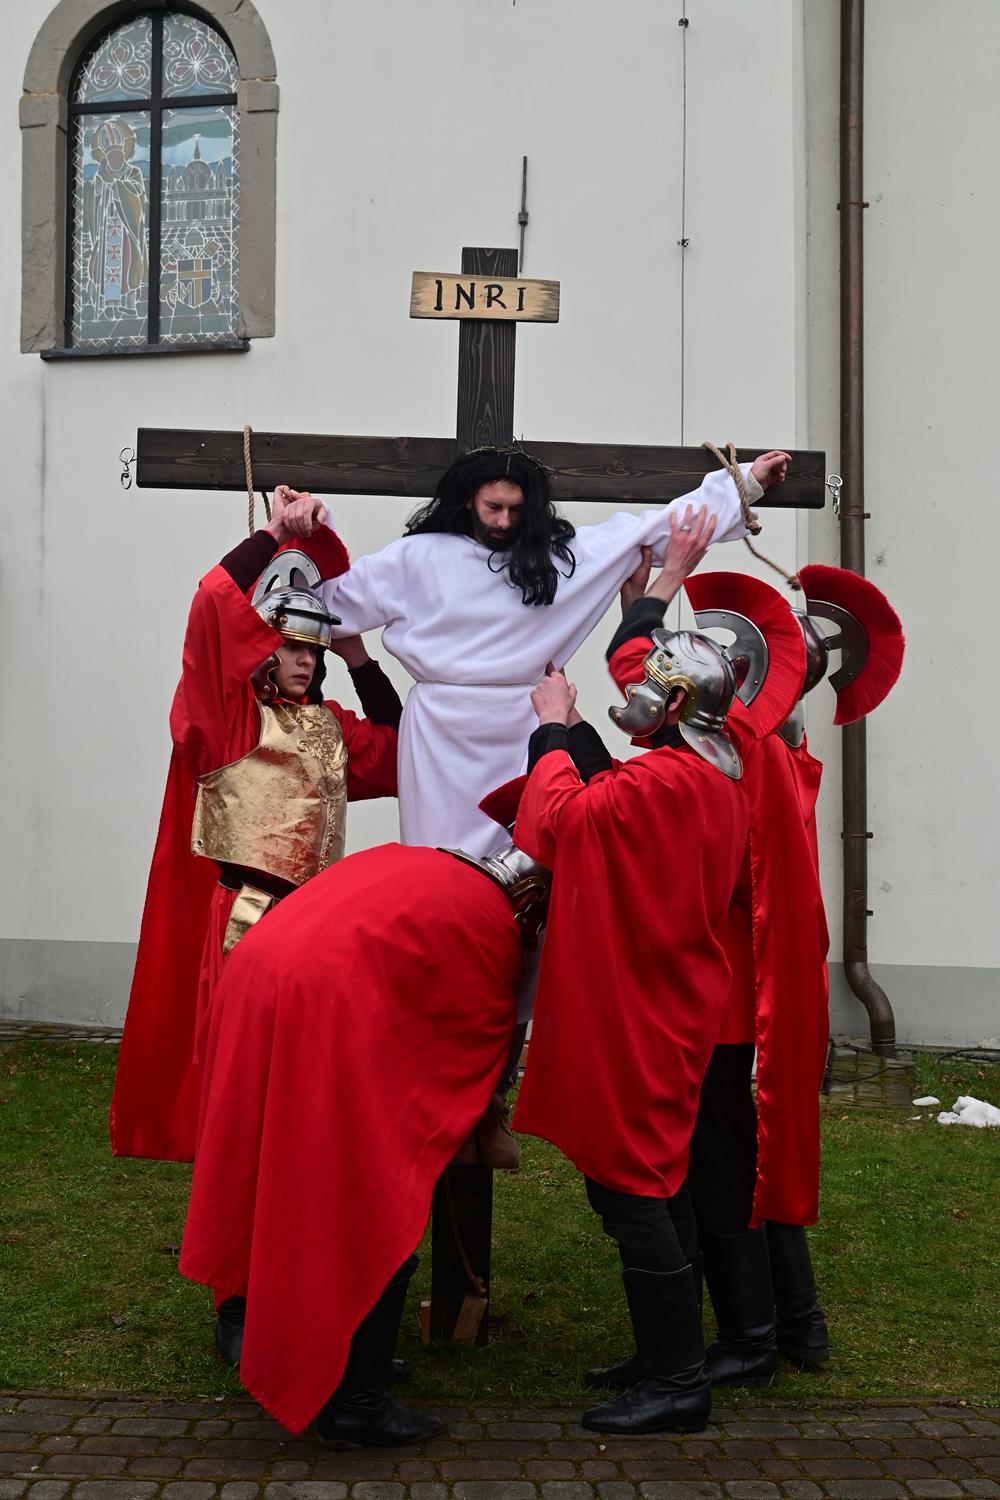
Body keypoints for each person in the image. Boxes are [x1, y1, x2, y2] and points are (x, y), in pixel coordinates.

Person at [178, 721, 612, 1442]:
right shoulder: (491, 924)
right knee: (377, 1191)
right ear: (536, 900)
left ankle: (283, 1334)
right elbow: (467, 1066)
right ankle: (354, 1400)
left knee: (272, 1163)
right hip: (317, 1006)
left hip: (259, 979)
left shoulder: (426, 863)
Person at [510, 561, 805, 1436]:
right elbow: (614, 796)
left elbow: (560, 821)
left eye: (650, 685)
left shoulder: (668, 784)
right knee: (662, 1183)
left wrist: (551, 730)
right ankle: (664, 1357)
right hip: (668, 1007)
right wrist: (577, 734)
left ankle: (678, 1380)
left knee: (633, 1190)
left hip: (638, 1014)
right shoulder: (708, 777)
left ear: (675, 702)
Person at [274, 445, 792, 854]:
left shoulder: (560, 560)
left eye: (516, 510)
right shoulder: (415, 558)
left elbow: (658, 530)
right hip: (439, 734)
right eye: (493, 508)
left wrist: (743, 484)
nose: (504, 521)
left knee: (528, 857)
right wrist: (307, 526)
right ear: (468, 501)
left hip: (525, 720)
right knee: (439, 861)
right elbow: (324, 600)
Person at [111, 486, 403, 1168]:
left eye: (313, 650)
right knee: (239, 1082)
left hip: (315, 925)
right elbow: (213, 605)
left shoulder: (331, 730)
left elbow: (402, 746)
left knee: (308, 1082)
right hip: (243, 921)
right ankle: (235, 1218)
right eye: (291, 646)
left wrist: (358, 656)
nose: (305, 659)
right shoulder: (228, 723)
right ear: (264, 649)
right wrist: (272, 533)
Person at [681, 564, 905, 1384]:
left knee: (726, 1163)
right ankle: (797, 1324)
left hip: (731, 995)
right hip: (760, 987)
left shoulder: (752, 757)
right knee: (758, 1155)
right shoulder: (789, 754)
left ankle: (755, 1337)